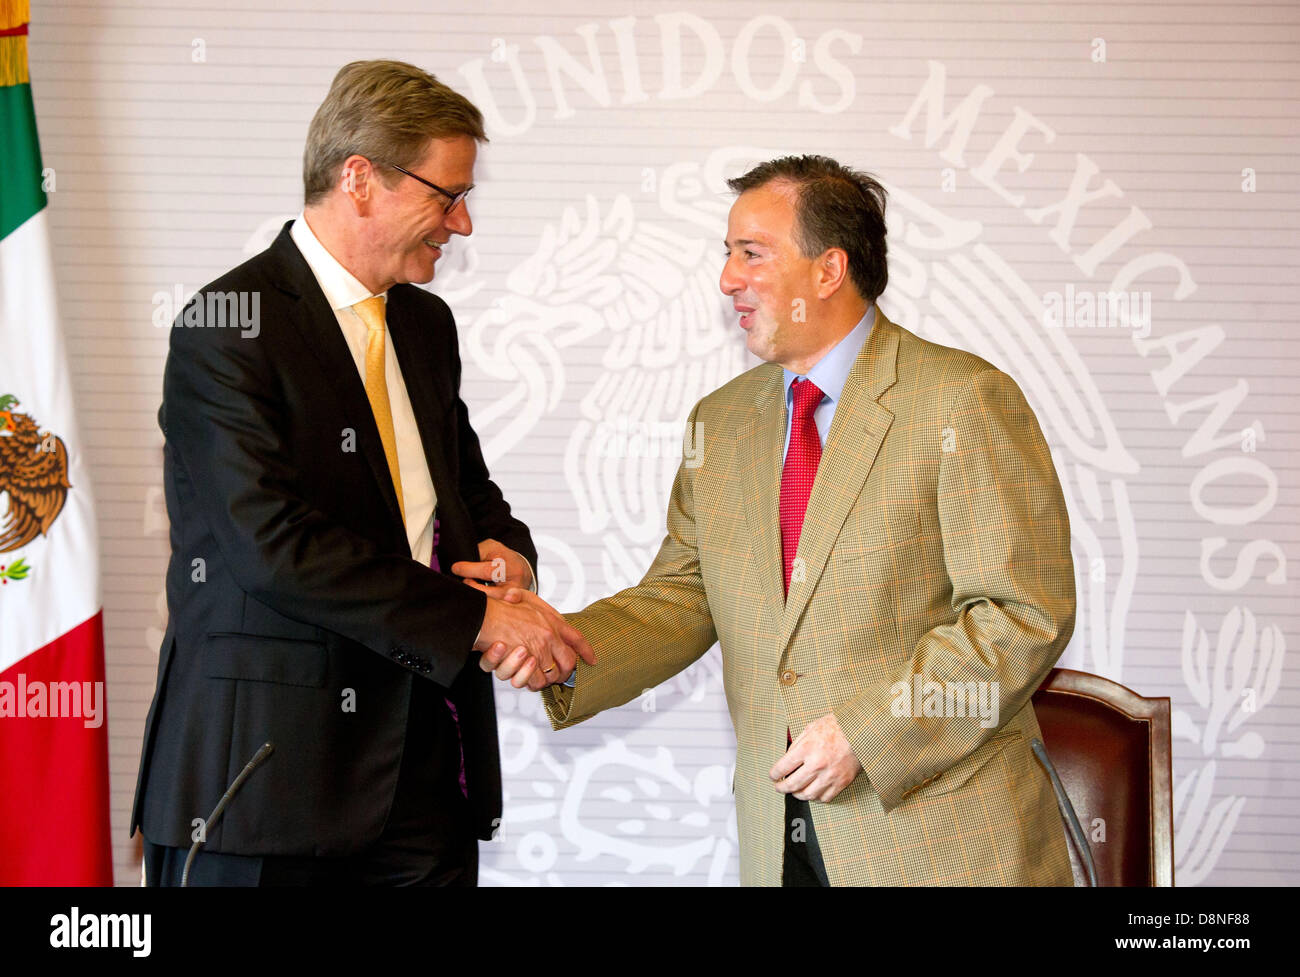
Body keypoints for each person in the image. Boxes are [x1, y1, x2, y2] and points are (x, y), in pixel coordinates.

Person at [472, 155, 1076, 886]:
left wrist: (870, 730)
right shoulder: (719, 422)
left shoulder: (962, 398)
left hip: (944, 846)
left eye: (750, 253)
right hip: (779, 838)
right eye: (727, 254)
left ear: (828, 270)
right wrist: (558, 644)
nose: (727, 279)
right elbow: (684, 595)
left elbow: (1020, 614)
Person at [131, 59, 590, 886]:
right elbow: (275, 548)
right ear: (360, 180)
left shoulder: (424, 323)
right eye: (447, 196)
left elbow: (466, 490)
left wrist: (504, 555)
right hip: (268, 783)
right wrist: (475, 621)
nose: (462, 224)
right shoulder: (226, 327)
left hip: (424, 769)